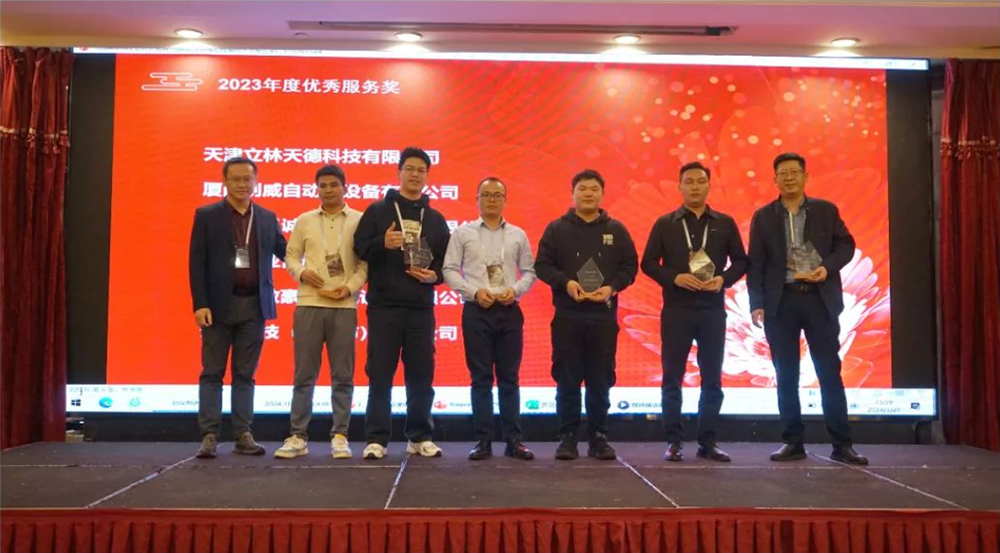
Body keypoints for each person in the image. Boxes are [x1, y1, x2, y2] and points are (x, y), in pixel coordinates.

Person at [747, 152, 868, 465]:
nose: (789, 178)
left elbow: (846, 245)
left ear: (805, 177)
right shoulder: (764, 217)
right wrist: (757, 303)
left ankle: (842, 444)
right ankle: (793, 442)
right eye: (783, 174)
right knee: (786, 375)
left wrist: (827, 267)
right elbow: (756, 263)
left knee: (829, 372)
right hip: (781, 302)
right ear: (775, 180)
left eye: (794, 172)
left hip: (819, 299)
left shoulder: (826, 210)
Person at [641, 161, 747, 463]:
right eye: (689, 182)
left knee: (712, 378)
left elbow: (741, 261)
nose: (695, 187)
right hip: (677, 309)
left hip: (712, 310)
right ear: (680, 187)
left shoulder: (724, 223)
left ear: (709, 186)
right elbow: (648, 262)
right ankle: (673, 442)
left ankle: (707, 442)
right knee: (672, 376)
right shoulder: (666, 223)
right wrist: (674, 277)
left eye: (701, 181)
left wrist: (723, 280)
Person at [353, 147, 451, 460]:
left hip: (421, 307)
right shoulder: (377, 211)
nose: (415, 175)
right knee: (380, 374)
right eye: (410, 169)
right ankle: (377, 439)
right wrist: (381, 243)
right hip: (384, 306)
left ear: (428, 176)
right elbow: (358, 248)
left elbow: (446, 263)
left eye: (421, 170)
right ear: (399, 172)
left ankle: (419, 436)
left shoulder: (435, 219)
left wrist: (434, 276)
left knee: (421, 373)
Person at [535, 169, 638, 461]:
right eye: (582, 188)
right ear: (573, 193)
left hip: (603, 317)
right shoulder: (557, 229)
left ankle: (599, 437)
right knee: (566, 379)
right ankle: (567, 437)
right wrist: (565, 283)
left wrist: (612, 288)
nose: (588, 194)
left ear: (602, 194)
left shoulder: (616, 230)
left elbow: (630, 267)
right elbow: (542, 265)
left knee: (600, 380)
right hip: (567, 316)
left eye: (594, 189)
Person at [189, 156, 287, 458]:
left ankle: (243, 433)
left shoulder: (267, 217)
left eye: (248, 178)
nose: (242, 184)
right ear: (225, 181)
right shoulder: (207, 215)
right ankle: (209, 435)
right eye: (236, 179)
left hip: (254, 306)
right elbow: (196, 262)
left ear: (256, 181)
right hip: (218, 307)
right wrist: (200, 304)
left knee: (245, 374)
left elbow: (286, 252)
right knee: (212, 372)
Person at [274, 165, 368, 460]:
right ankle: (298, 436)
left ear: (345, 188)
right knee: (304, 375)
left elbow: (365, 263)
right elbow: (291, 255)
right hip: (309, 303)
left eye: (333, 185)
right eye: (323, 186)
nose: (328, 190)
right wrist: (302, 273)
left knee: (343, 375)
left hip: (344, 305)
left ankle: (340, 435)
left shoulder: (360, 220)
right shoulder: (304, 220)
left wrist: (349, 288)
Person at [443, 177, 537, 461]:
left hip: (509, 310)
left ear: (505, 200)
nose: (492, 200)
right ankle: (483, 440)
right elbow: (449, 269)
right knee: (480, 377)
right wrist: (474, 292)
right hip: (477, 310)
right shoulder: (463, 233)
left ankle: (513, 440)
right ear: (477, 199)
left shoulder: (518, 234)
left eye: (498, 195)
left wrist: (515, 290)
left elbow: (530, 272)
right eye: (486, 195)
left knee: (510, 377)